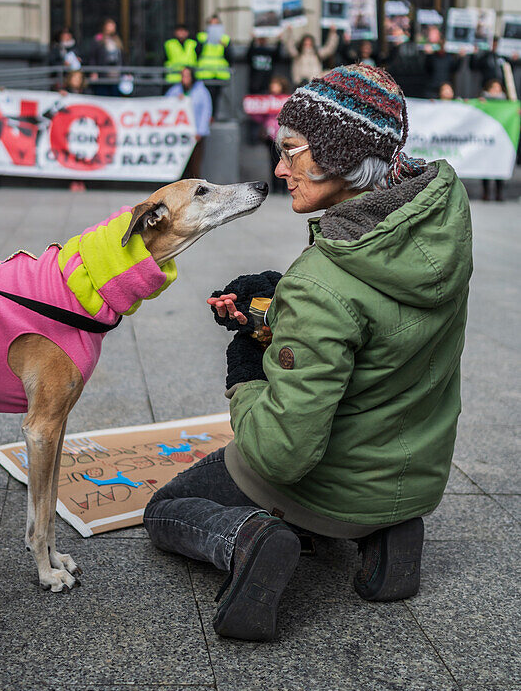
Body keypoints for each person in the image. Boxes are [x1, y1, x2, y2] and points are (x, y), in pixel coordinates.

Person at [143, 64, 472, 642]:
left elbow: (281, 454)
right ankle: (388, 534)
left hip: (328, 485)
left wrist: (245, 364)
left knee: (169, 506)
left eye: (293, 151)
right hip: (409, 476)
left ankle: (251, 541)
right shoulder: (436, 223)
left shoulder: (322, 284)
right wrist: (281, 306)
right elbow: (382, 332)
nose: (279, 169)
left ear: (343, 156)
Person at [165, 66, 212, 179]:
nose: (184, 78)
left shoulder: (201, 92)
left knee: (194, 164)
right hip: (179, 134)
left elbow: (206, 112)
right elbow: (165, 105)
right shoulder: (175, 90)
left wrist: (200, 131)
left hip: (195, 134)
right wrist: (175, 100)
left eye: (186, 76)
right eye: (182, 76)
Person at [196, 14, 232, 116]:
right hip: (205, 73)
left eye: (216, 24)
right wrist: (204, 42)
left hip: (219, 73)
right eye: (211, 24)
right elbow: (196, 53)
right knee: (204, 97)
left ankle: (213, 116)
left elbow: (230, 57)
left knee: (216, 98)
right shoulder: (201, 37)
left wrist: (224, 46)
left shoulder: (225, 39)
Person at [479, 75, 508, 202]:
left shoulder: (507, 104)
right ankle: (486, 192)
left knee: (499, 164)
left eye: (498, 88)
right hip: (487, 138)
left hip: (500, 139)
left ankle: (499, 192)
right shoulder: (483, 102)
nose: (496, 90)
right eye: (493, 88)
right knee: (486, 165)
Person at [88, 18, 124, 95]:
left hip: (115, 75)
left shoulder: (117, 40)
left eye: (113, 26)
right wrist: (93, 71)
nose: (112, 28)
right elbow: (93, 57)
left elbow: (121, 57)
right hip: (102, 74)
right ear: (105, 27)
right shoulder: (98, 39)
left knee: (115, 94)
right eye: (110, 26)